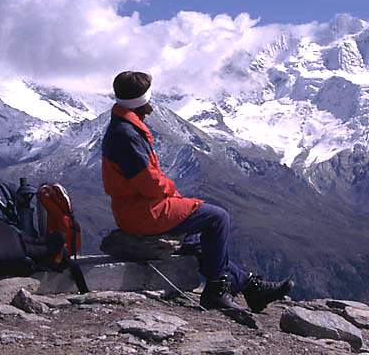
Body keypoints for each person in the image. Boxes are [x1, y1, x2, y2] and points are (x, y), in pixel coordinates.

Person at [101, 71, 293, 311]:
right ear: (142, 102)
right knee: (216, 217)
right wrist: (171, 189)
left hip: (134, 209)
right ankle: (216, 289)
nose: (151, 105)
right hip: (142, 212)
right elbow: (148, 183)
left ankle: (250, 287)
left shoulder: (123, 127)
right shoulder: (126, 134)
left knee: (196, 242)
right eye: (148, 100)